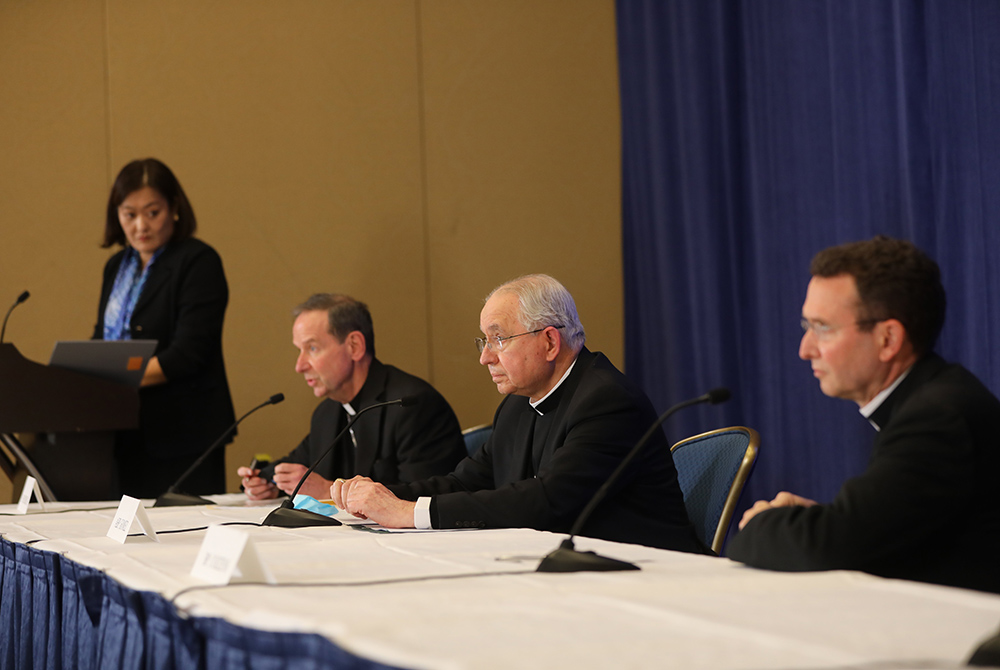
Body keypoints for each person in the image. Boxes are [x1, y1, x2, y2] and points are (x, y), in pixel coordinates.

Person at [331, 274, 707, 554]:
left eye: (498, 339)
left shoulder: (607, 401)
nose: (485, 357)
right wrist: (377, 498)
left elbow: (548, 501)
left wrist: (409, 513)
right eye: (484, 340)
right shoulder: (517, 404)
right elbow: (467, 482)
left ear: (548, 342)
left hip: (653, 576)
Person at [727, 236, 1000, 593]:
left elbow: (833, 547)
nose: (805, 349)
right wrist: (817, 522)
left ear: (888, 339)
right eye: (806, 326)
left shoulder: (937, 418)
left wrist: (766, 523)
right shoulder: (930, 399)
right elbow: (876, 536)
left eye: (822, 328)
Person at [94, 158, 235, 498]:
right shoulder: (117, 266)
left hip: (183, 434)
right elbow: (101, 340)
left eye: (152, 212)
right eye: (129, 214)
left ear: (174, 208)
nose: (141, 225)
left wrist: (117, 379)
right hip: (122, 430)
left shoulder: (198, 262)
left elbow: (188, 355)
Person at [238, 294, 466, 501]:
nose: (300, 365)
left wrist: (328, 491)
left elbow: (428, 497)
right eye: (299, 350)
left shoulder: (412, 405)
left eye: (313, 348)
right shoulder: (327, 412)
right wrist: (268, 482)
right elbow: (299, 463)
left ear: (354, 346)